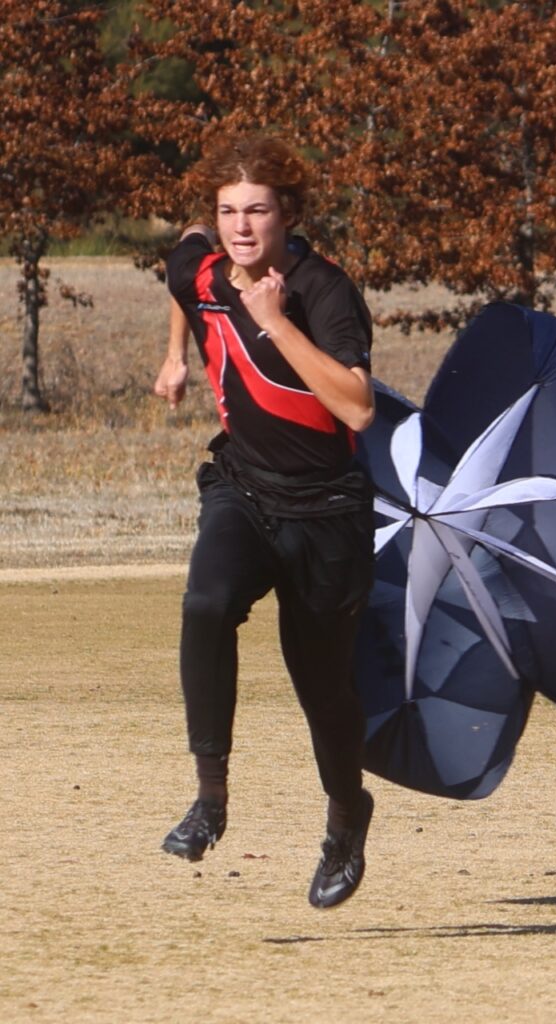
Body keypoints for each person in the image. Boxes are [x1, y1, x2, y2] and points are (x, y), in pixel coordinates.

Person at [153, 133, 376, 909]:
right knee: (205, 604)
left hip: (328, 515)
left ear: (288, 216)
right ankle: (210, 801)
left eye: (257, 211)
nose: (240, 226)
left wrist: (276, 322)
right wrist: (176, 352)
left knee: (323, 692)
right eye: (227, 211)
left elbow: (355, 404)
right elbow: (179, 264)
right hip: (243, 490)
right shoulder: (204, 268)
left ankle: (346, 818)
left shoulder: (323, 289)